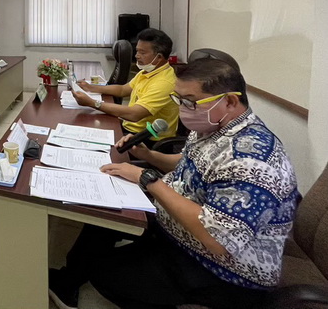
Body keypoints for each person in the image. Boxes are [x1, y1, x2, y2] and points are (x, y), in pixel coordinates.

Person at [48, 58, 299, 309]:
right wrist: (148, 155)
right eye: (179, 99)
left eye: (190, 101)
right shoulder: (214, 126)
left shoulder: (251, 159)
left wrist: (147, 179)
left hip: (222, 272)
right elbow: (187, 163)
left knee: (104, 274)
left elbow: (218, 240)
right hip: (176, 228)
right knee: (108, 213)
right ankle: (67, 282)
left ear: (230, 101)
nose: (182, 109)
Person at [71, 28, 179, 141]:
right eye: (137, 51)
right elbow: (123, 90)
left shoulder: (164, 83)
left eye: (142, 53)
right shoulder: (148, 72)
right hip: (129, 128)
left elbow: (134, 114)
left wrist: (92, 103)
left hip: (145, 139)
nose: (137, 56)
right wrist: (90, 87)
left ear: (159, 57)